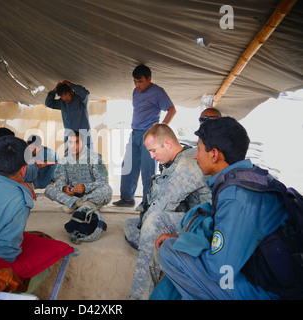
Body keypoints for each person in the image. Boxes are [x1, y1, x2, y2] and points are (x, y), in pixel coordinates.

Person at [156, 117, 288, 299]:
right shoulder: (250, 176)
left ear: (214, 154)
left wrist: (186, 243)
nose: (195, 155)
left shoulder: (237, 196)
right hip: (262, 273)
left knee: (170, 251)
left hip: (269, 292)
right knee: (194, 226)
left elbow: (220, 270)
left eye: (199, 149)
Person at [124, 123, 211, 300]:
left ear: (168, 144)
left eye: (154, 150)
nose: (151, 156)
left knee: (153, 222)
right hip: (191, 217)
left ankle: (139, 296)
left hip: (205, 224)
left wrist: (146, 228)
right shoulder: (176, 160)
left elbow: (163, 204)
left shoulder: (187, 163)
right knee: (130, 224)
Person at [113, 65, 177, 211]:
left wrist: (161, 128)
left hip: (150, 135)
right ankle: (127, 198)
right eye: (135, 81)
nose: (137, 85)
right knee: (128, 164)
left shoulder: (158, 92)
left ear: (149, 79)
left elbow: (172, 110)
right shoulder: (135, 92)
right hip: (134, 132)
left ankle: (147, 202)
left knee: (148, 168)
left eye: (140, 81)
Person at [45, 130, 112, 212]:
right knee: (49, 189)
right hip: (72, 194)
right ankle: (82, 204)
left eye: (76, 142)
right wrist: (64, 188)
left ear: (82, 143)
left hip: (91, 194)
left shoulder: (94, 158)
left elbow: (103, 181)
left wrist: (85, 187)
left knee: (107, 190)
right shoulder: (65, 159)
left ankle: (73, 204)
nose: (73, 146)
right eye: (70, 142)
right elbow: (60, 180)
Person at [45, 80, 93, 152]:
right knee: (69, 160)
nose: (64, 98)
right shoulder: (62, 102)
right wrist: (54, 91)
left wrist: (71, 85)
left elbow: (86, 94)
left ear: (71, 91)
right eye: (61, 96)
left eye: (65, 94)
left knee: (88, 159)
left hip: (84, 135)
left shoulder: (81, 100)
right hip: (69, 136)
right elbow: (48, 103)